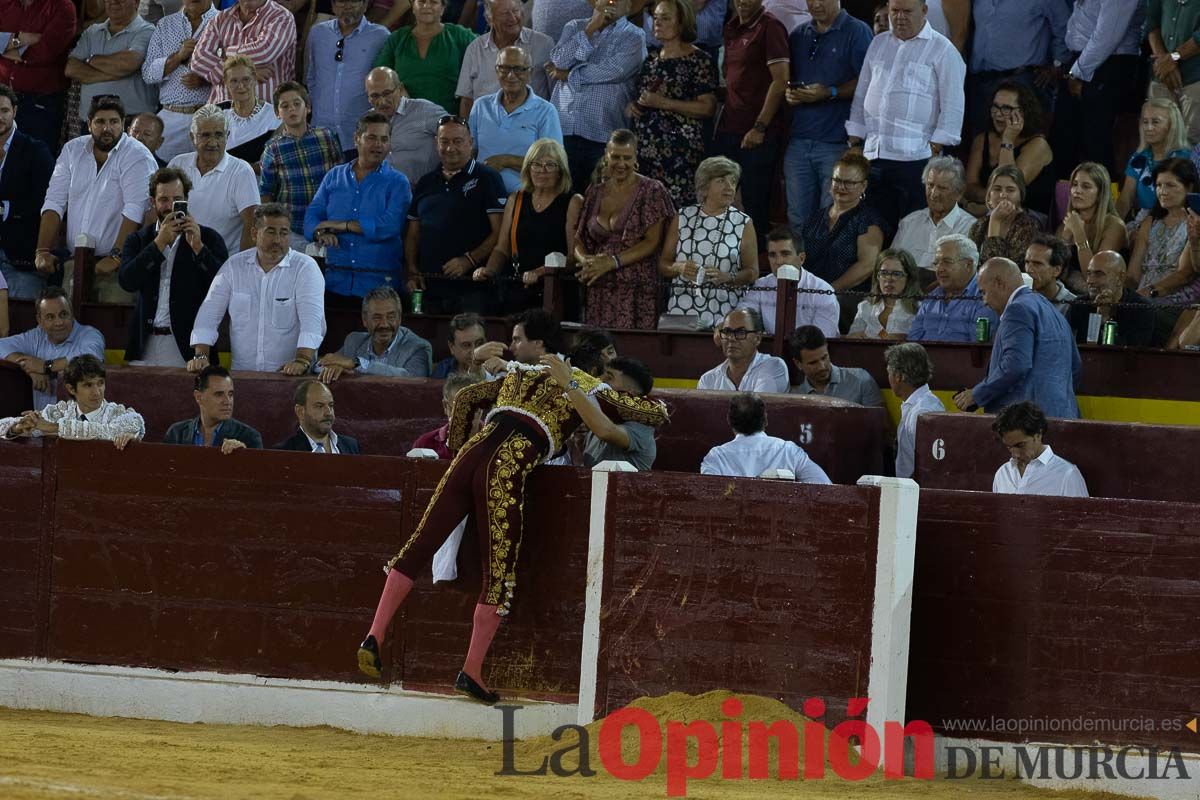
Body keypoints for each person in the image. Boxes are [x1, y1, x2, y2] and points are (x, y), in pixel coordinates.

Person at [356, 332, 669, 704]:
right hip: (505, 467)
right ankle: (471, 671)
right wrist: (578, 385)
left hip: (469, 455)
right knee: (498, 576)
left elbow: (469, 397)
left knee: (419, 544)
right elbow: (656, 413)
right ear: (596, 370)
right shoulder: (586, 385)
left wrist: (457, 446)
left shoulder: (523, 373)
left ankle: (375, 633)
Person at [846, 0, 965, 231]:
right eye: (894, 11)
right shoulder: (878, 43)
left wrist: (934, 148)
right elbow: (862, 94)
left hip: (916, 159)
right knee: (872, 230)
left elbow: (953, 108)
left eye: (907, 11)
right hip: (874, 155)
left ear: (924, 11)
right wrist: (854, 140)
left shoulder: (943, 49)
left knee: (910, 230)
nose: (899, 17)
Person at [36, 96, 157, 305]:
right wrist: (42, 250)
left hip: (118, 267)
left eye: (114, 122)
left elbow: (136, 209)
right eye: (101, 122)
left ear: (124, 125)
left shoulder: (138, 155)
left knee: (112, 330)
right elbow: (54, 202)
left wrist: (117, 257)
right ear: (89, 123)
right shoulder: (72, 150)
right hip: (75, 262)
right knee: (67, 329)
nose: (107, 128)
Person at [189, 202, 326, 373]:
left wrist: (302, 360)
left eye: (283, 233)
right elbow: (208, 314)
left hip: (290, 378)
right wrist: (201, 355)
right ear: (254, 233)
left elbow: (312, 323)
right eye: (270, 232)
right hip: (242, 378)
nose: (277, 240)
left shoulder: (306, 268)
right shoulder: (233, 267)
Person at [119, 167, 230, 366]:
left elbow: (223, 286)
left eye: (176, 199)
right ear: (153, 202)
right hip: (145, 343)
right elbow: (127, 281)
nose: (170, 206)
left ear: (186, 200)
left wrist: (199, 248)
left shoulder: (208, 238)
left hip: (189, 346)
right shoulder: (138, 240)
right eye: (163, 200)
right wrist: (158, 244)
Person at [953, 257, 1080, 420]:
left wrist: (976, 395)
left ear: (999, 283)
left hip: (1025, 422)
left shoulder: (1017, 310)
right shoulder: (1052, 310)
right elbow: (1075, 366)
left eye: (984, 292)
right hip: (1063, 415)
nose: (984, 302)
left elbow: (1016, 365)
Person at [782, 0, 872, 230]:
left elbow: (868, 82)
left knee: (832, 216)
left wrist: (830, 92)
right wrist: (791, 95)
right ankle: (798, 266)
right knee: (797, 217)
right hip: (799, 139)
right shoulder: (798, 34)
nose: (816, 4)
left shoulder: (857, 30)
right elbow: (787, 79)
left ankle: (825, 267)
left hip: (836, 141)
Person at [573, 129, 674, 329]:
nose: (621, 164)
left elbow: (652, 242)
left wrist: (613, 262)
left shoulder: (652, 190)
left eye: (627, 158)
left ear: (636, 157)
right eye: (615, 157)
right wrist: (587, 261)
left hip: (638, 288)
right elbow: (578, 238)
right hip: (599, 285)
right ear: (606, 155)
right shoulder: (594, 192)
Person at [305, 111, 411, 302]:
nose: (378, 145)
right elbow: (312, 217)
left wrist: (341, 225)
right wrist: (320, 234)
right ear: (356, 139)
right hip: (334, 283)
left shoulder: (398, 183)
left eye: (384, 139)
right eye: (371, 138)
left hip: (379, 289)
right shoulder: (334, 176)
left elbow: (388, 226)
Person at [405, 115, 506, 314]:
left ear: (471, 143)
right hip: (429, 290)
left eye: (458, 141)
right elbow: (413, 233)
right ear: (436, 143)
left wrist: (469, 260)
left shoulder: (488, 178)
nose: (451, 148)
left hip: (472, 291)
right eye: (445, 141)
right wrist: (411, 270)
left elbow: (501, 231)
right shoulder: (426, 182)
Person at [549, 0, 646, 194]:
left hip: (603, 133)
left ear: (628, 5)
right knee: (561, 197)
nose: (613, 2)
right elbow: (559, 59)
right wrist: (590, 28)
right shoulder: (574, 26)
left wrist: (569, 74)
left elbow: (613, 71)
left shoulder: (635, 35)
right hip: (564, 128)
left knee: (599, 198)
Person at [627, 0, 718, 209]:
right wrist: (633, 107)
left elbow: (707, 107)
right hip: (646, 155)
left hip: (680, 158)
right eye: (655, 18)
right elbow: (641, 100)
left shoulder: (699, 60)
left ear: (681, 22)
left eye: (665, 18)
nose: (657, 23)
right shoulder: (650, 61)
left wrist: (663, 102)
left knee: (678, 218)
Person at [473, 138, 582, 311]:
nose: (542, 171)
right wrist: (489, 271)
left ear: (561, 170)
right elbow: (502, 249)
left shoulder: (573, 201)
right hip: (518, 291)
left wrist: (541, 272)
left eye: (550, 165)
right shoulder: (516, 199)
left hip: (556, 294)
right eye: (536, 164)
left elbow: (573, 257)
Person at [712, 0, 788, 247]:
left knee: (755, 206)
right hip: (728, 128)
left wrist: (760, 126)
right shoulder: (731, 27)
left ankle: (755, 271)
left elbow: (780, 81)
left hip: (757, 133)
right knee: (724, 199)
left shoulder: (771, 27)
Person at [659, 156, 758, 329]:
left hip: (724, 318)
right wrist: (679, 268)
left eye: (733, 181)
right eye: (721, 181)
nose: (729, 187)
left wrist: (728, 277)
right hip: (682, 314)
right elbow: (663, 264)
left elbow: (752, 272)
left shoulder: (743, 222)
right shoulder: (683, 216)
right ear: (704, 187)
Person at [1052, 0, 1144, 178]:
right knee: (1065, 142)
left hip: (1107, 63)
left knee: (1098, 147)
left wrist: (1078, 73)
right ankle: (1066, 203)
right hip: (1080, 61)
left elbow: (1107, 37)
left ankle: (1107, 203)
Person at [258, 82, 344, 251]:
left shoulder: (326, 136)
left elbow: (341, 181)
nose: (292, 109)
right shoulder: (273, 148)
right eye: (285, 106)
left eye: (297, 104)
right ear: (277, 113)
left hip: (328, 225)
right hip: (293, 229)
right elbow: (266, 193)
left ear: (308, 108)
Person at [167, 104, 261, 257]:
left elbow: (251, 222)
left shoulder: (241, 171)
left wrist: (241, 268)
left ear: (227, 136)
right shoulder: (177, 164)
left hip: (222, 263)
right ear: (192, 137)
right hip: (179, 259)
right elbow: (161, 210)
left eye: (218, 135)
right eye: (205, 135)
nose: (212, 142)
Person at [467, 45, 563, 194]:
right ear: (496, 71)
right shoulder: (481, 106)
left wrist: (506, 160)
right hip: (480, 193)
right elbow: (470, 152)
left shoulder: (546, 111)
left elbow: (554, 162)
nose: (511, 76)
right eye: (504, 68)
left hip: (524, 196)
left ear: (530, 73)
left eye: (518, 69)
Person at [965, 0, 1068, 136]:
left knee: (1023, 142)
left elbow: (1066, 28)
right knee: (981, 142)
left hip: (1022, 81)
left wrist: (1057, 64)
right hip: (981, 81)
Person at [0, 354, 144, 449]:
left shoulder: (120, 414)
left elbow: (108, 431)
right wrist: (17, 428)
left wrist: (54, 428)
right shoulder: (58, 412)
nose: (97, 391)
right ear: (71, 388)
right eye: (88, 385)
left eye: (100, 383)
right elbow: (2, 425)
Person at [304, 0, 389, 153]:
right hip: (321, 135)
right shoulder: (317, 33)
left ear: (364, 4)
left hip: (362, 136)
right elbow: (311, 78)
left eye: (353, 1)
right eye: (341, 1)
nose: (347, 5)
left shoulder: (381, 36)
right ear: (333, 5)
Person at [0, 287, 106, 410]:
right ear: (39, 320)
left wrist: (45, 366)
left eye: (63, 314)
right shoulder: (36, 336)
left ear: (71, 313)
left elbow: (90, 358)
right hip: (42, 424)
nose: (59, 322)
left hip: (82, 424)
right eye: (50, 317)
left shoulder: (90, 335)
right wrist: (29, 368)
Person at [799, 151, 887, 297]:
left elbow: (867, 266)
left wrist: (828, 291)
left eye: (850, 182)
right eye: (837, 180)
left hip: (847, 298)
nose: (841, 187)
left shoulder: (869, 221)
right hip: (807, 293)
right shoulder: (814, 218)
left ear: (863, 186)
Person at [962, 80, 1053, 218]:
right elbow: (969, 187)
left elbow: (1010, 188)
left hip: (1028, 216)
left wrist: (1008, 140)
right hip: (987, 210)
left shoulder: (1038, 145)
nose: (998, 114)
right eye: (995, 107)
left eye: (1006, 109)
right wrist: (991, 201)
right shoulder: (982, 139)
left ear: (1023, 112)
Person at [142, 0, 218, 163]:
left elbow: (235, 69)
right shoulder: (166, 24)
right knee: (167, 181)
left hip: (210, 120)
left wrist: (206, 79)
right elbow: (148, 73)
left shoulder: (224, 22)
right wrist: (178, 56)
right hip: (170, 119)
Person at [554, 354, 659, 471]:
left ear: (630, 393)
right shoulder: (602, 416)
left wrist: (570, 384)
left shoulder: (642, 427)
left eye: (609, 377)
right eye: (602, 374)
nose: (600, 380)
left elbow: (606, 431)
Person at [65, 0, 157, 131]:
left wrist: (91, 60)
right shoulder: (92, 32)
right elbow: (71, 69)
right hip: (91, 123)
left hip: (131, 124)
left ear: (136, 2)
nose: (114, 2)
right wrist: (118, 73)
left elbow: (129, 63)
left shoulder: (147, 31)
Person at [699, 392, 831, 482]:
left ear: (730, 421)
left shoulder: (716, 457)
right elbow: (824, 487)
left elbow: (709, 497)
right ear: (765, 420)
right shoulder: (789, 451)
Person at [0, 85, 54, 301]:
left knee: (26, 323)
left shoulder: (35, 150)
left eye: (3, 111)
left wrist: (5, 208)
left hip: (21, 260)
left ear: (14, 110)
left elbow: (48, 202)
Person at [373, 0, 476, 114]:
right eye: (421, 2)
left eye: (433, 2)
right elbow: (379, 75)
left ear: (442, 8)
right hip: (405, 120)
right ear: (413, 7)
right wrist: (400, 91)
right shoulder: (397, 39)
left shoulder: (460, 36)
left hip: (449, 121)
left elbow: (487, 49)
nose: (427, 6)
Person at [0, 0, 77, 151]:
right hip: (3, 100)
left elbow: (43, 53)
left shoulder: (63, 7)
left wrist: (3, 46)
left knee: (36, 164)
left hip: (40, 104)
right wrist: (21, 39)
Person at [456, 0, 553, 117]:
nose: (512, 18)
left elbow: (555, 92)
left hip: (531, 127)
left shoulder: (543, 44)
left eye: (515, 11)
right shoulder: (475, 48)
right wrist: (467, 132)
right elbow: (466, 100)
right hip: (485, 126)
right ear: (489, 19)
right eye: (504, 13)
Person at [190, 0, 298, 106]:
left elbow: (264, 52)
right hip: (222, 111)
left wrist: (225, 52)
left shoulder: (282, 17)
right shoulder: (220, 19)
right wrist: (248, 73)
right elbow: (198, 60)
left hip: (266, 113)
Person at [316, 286, 432, 381]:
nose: (384, 324)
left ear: (400, 318)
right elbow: (319, 366)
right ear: (365, 320)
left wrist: (356, 364)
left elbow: (414, 378)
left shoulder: (417, 347)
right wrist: (332, 367)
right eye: (377, 317)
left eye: (391, 317)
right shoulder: (354, 341)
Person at [1128, 158, 1200, 310]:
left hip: (1175, 299)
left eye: (1170, 185)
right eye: (1159, 185)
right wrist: (1125, 295)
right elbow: (1133, 274)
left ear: (1189, 187)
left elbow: (1184, 274)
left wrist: (1149, 292)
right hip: (1142, 296)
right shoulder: (1149, 222)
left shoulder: (1194, 222)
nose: (1163, 191)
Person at [742, 225, 839, 337]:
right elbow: (744, 316)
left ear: (801, 258)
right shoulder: (761, 285)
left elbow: (822, 339)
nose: (778, 261)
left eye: (785, 254)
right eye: (772, 255)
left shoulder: (823, 291)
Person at [891, 155, 976, 273]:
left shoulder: (970, 227)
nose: (934, 194)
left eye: (942, 188)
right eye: (930, 185)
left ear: (959, 193)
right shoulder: (909, 222)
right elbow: (891, 264)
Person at [907, 233, 998, 343]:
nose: (939, 269)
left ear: (968, 265)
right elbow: (913, 341)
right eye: (936, 263)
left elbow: (979, 351)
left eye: (947, 262)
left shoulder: (985, 298)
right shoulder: (932, 296)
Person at [365, 66, 444, 187]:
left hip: (422, 191)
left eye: (387, 93)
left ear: (400, 89)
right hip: (382, 191)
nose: (382, 101)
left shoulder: (424, 111)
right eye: (375, 96)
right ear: (368, 97)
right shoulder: (367, 121)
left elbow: (458, 131)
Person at [1056, 162, 1128, 295]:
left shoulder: (1114, 226)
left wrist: (1079, 235)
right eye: (1075, 185)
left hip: (1102, 296)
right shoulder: (1067, 224)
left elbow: (1095, 276)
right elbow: (1055, 272)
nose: (1077, 191)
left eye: (1086, 186)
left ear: (1100, 193)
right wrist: (1065, 238)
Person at [991, 401, 1088, 498]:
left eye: (1020, 445)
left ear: (1038, 434)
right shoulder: (1002, 474)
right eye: (1009, 447)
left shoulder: (1067, 475)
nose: (1015, 454)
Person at [1116, 98, 1191, 221]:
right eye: (1145, 122)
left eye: (1155, 122)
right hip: (1142, 221)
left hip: (1175, 223)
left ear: (1171, 125)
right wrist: (1111, 225)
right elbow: (1125, 199)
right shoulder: (1138, 158)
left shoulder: (1184, 158)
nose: (1148, 128)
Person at [163, 364, 263, 450]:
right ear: (199, 397)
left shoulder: (249, 437)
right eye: (219, 394)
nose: (227, 401)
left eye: (230, 394)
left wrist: (244, 456)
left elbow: (257, 472)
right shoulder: (176, 433)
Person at [1068, 250, 1156, 348]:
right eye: (1089, 273)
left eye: (1099, 274)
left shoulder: (1141, 308)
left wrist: (1105, 321)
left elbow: (1128, 355)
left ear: (1120, 277)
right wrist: (1097, 319)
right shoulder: (1078, 305)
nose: (1090, 281)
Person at [886, 341, 943, 479]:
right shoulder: (922, 405)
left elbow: (928, 464)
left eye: (889, 373)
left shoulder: (922, 411)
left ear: (898, 376)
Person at [697, 307, 789, 393]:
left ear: (757, 338)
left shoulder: (774, 367)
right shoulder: (708, 380)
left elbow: (757, 407)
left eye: (741, 332)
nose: (731, 338)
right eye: (727, 332)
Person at [1146, 0, 1200, 144]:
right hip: (1161, 76)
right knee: (1158, 140)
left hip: (1195, 78)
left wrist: (1173, 57)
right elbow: (1151, 22)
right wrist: (1163, 59)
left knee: (1190, 143)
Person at [788, 324, 882, 405]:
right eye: (813, 363)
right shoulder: (795, 398)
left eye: (824, 358)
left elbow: (880, 424)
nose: (822, 366)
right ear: (798, 363)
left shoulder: (861, 381)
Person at [967, 165, 1042, 265]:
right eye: (997, 189)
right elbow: (969, 263)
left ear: (1020, 195)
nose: (1003, 195)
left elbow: (997, 268)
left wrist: (995, 222)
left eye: (1010, 190)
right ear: (989, 196)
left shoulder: (1029, 226)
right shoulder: (979, 225)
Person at [219, 54, 282, 165]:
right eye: (234, 81)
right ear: (226, 82)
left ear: (254, 78)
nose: (241, 86)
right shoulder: (217, 113)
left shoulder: (274, 116)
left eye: (246, 79)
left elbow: (274, 163)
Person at [847, 248, 921, 339]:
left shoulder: (919, 309)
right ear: (877, 276)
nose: (889, 279)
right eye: (884, 273)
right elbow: (852, 338)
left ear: (909, 278)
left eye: (896, 274)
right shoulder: (865, 307)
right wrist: (854, 337)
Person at [275, 379, 362, 453]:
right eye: (319, 406)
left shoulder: (351, 446)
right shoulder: (285, 451)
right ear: (300, 411)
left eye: (331, 405)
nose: (328, 413)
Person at [413, 372, 479, 458]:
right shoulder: (424, 444)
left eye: (473, 409)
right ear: (446, 407)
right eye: (459, 409)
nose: (466, 417)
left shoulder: (496, 442)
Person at [1022, 235, 1075, 316]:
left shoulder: (1072, 305)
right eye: (1027, 262)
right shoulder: (1020, 297)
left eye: (1037, 264)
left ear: (1056, 270)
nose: (1029, 269)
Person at [432, 312, 488, 378]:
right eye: (466, 345)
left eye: (480, 343)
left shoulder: (498, 371)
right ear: (452, 347)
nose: (474, 351)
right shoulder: (443, 370)